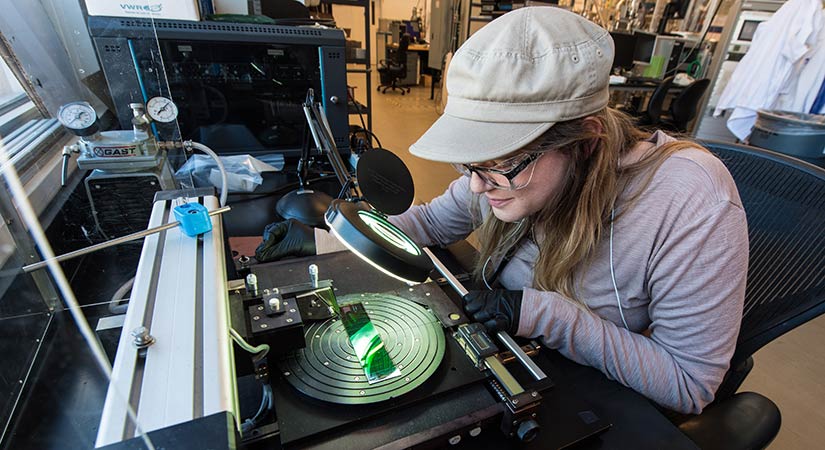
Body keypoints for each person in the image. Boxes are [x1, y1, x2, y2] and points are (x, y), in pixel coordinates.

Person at [389, 7, 748, 415]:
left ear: (585, 142)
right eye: (471, 162)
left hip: (593, 399)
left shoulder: (690, 200)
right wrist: (339, 227)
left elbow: (689, 384)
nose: (475, 184)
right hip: (524, 358)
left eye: (500, 163)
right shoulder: (500, 175)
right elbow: (432, 222)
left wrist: (545, 315)